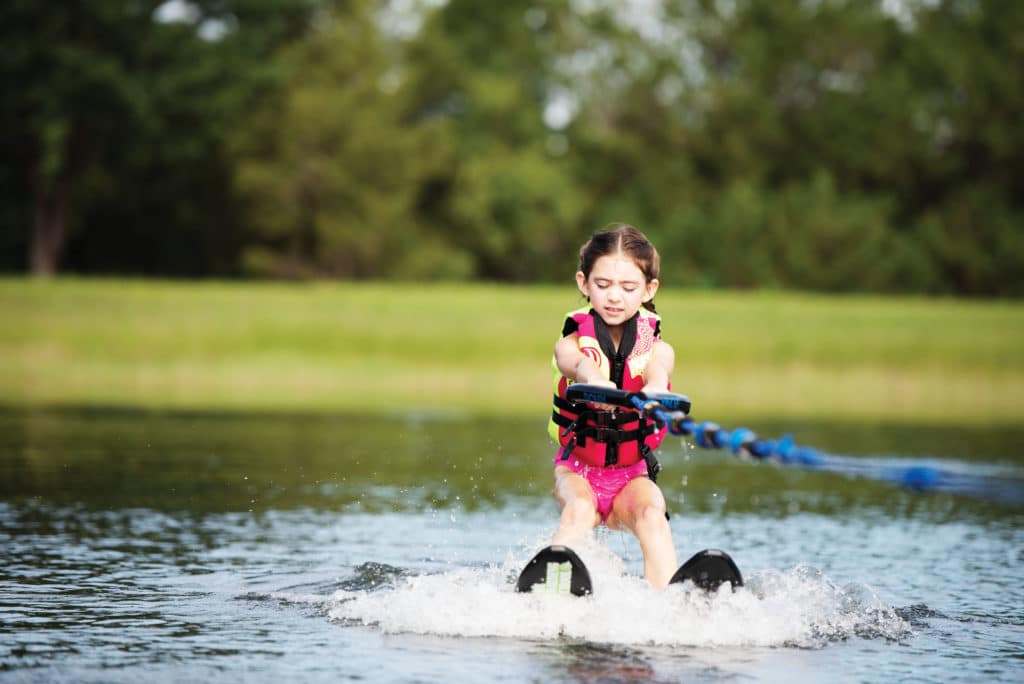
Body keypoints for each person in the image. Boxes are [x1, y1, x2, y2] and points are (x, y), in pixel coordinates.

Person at [548, 224, 679, 588]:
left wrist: (654, 390)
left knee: (653, 515)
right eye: (603, 285)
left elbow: (658, 370)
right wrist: (594, 378)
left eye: (628, 287)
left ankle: (669, 606)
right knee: (579, 511)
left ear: (649, 289)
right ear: (583, 283)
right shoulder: (571, 344)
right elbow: (575, 363)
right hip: (577, 471)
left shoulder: (658, 350)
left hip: (631, 475)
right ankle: (548, 593)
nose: (614, 297)